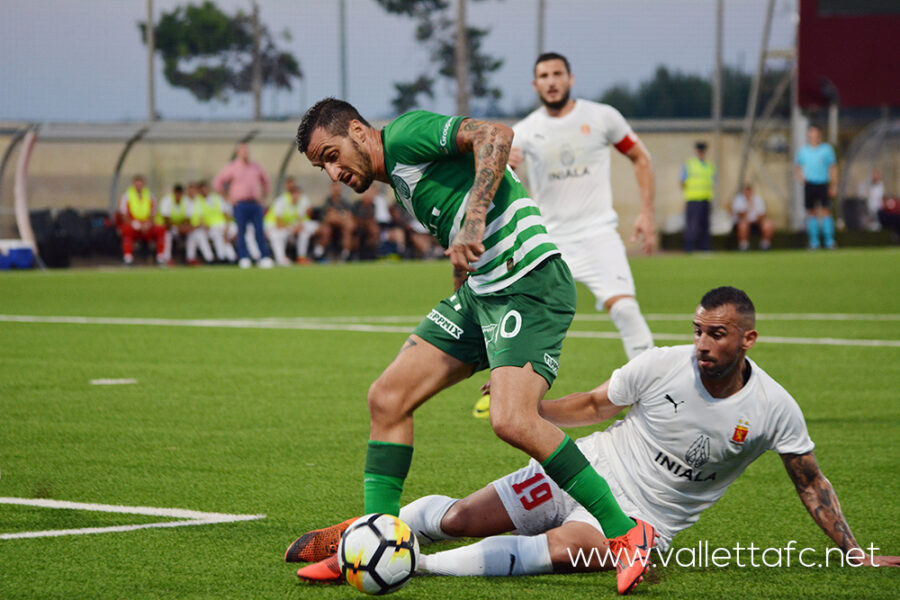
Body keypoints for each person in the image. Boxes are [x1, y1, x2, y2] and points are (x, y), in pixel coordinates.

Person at [287, 287, 899, 588]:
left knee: (557, 549)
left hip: (639, 517)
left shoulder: (773, 409)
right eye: (699, 331)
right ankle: (362, 534)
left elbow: (811, 482)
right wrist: (526, 405)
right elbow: (591, 405)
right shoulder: (661, 365)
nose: (703, 344)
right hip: (583, 464)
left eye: (718, 334)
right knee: (460, 517)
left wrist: (852, 548)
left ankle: (405, 562)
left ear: (747, 340)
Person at [292, 97, 655, 595]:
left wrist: (474, 220)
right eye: (322, 167)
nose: (333, 173)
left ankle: (625, 533)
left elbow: (496, 136)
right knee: (388, 398)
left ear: (357, 131)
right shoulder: (398, 177)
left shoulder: (402, 136)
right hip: (481, 294)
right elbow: (459, 204)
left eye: (331, 155)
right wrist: (461, 262)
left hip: (529, 284)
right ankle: (373, 541)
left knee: (512, 418)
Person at [509, 52, 656, 364]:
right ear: (535, 85)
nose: (552, 82)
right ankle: (507, 393)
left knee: (627, 310)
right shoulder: (523, 131)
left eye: (557, 74)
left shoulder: (602, 117)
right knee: (521, 321)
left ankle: (652, 392)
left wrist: (646, 212)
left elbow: (641, 158)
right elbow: (501, 184)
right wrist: (506, 167)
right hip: (548, 241)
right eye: (544, 76)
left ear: (570, 79)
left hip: (597, 235)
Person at [212, 142, 274, 268]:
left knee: (259, 231)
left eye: (247, 150)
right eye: (243, 150)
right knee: (241, 231)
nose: (245, 153)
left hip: (255, 204)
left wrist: (263, 196)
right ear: (238, 152)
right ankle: (244, 257)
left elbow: (266, 182)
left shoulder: (255, 167)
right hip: (240, 204)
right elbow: (217, 183)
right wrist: (227, 198)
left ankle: (264, 257)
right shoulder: (232, 167)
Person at [794, 125, 838, 250]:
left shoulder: (826, 149)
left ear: (819, 135)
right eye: (810, 134)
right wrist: (802, 178)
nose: (812, 136)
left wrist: (833, 185)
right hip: (810, 184)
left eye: (815, 133)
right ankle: (814, 242)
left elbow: (833, 168)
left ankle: (829, 241)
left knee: (825, 211)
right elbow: (797, 168)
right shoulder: (803, 151)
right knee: (811, 212)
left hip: (823, 183)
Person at [264, 177, 318, 266]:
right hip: (271, 226)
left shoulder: (301, 201)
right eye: (294, 193)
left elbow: (303, 217)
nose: (296, 196)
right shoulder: (281, 200)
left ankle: (301, 258)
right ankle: (280, 259)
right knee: (277, 235)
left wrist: (296, 226)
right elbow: (278, 223)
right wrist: (292, 228)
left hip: (287, 227)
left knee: (304, 231)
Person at [117, 174, 166, 265]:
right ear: (133, 184)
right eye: (137, 183)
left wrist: (148, 224)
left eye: (140, 183)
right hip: (133, 225)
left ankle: (160, 258)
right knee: (126, 230)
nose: (139, 186)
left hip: (147, 226)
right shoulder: (126, 196)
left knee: (160, 229)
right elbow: (123, 214)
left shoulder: (150, 196)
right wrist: (136, 224)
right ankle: (128, 258)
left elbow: (153, 213)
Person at [681, 141, 716, 252]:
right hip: (693, 199)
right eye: (700, 151)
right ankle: (689, 247)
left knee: (705, 225)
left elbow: (712, 182)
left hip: (706, 199)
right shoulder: (690, 164)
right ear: (697, 151)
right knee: (692, 225)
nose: (701, 153)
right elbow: (682, 181)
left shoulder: (710, 166)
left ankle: (704, 247)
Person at [312, 181, 356, 261]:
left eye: (338, 187)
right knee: (326, 229)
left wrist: (337, 216)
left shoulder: (344, 202)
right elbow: (328, 217)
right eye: (334, 187)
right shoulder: (328, 201)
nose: (336, 189)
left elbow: (349, 215)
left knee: (348, 228)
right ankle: (318, 254)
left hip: (342, 227)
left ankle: (345, 254)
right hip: (329, 225)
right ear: (331, 189)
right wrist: (341, 216)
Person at [198, 180, 237, 263]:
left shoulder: (216, 198)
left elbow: (225, 213)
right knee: (219, 236)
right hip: (212, 226)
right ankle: (228, 257)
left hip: (223, 225)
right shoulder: (198, 201)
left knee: (225, 235)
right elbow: (200, 218)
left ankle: (226, 257)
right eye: (202, 190)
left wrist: (226, 227)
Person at [155, 183, 193, 264]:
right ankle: (167, 258)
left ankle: (191, 258)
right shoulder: (167, 200)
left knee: (192, 234)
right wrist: (178, 227)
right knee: (167, 235)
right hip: (168, 227)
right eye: (177, 193)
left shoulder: (186, 201)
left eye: (180, 193)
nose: (178, 195)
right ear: (173, 193)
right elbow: (166, 220)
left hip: (179, 228)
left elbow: (188, 220)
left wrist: (184, 228)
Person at [731, 183, 774, 251]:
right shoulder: (739, 199)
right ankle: (744, 245)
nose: (748, 193)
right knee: (743, 225)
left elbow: (762, 213)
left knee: (768, 223)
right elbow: (740, 215)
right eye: (746, 191)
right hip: (744, 222)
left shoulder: (758, 199)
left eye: (749, 191)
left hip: (756, 222)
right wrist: (748, 206)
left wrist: (758, 219)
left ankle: (765, 244)